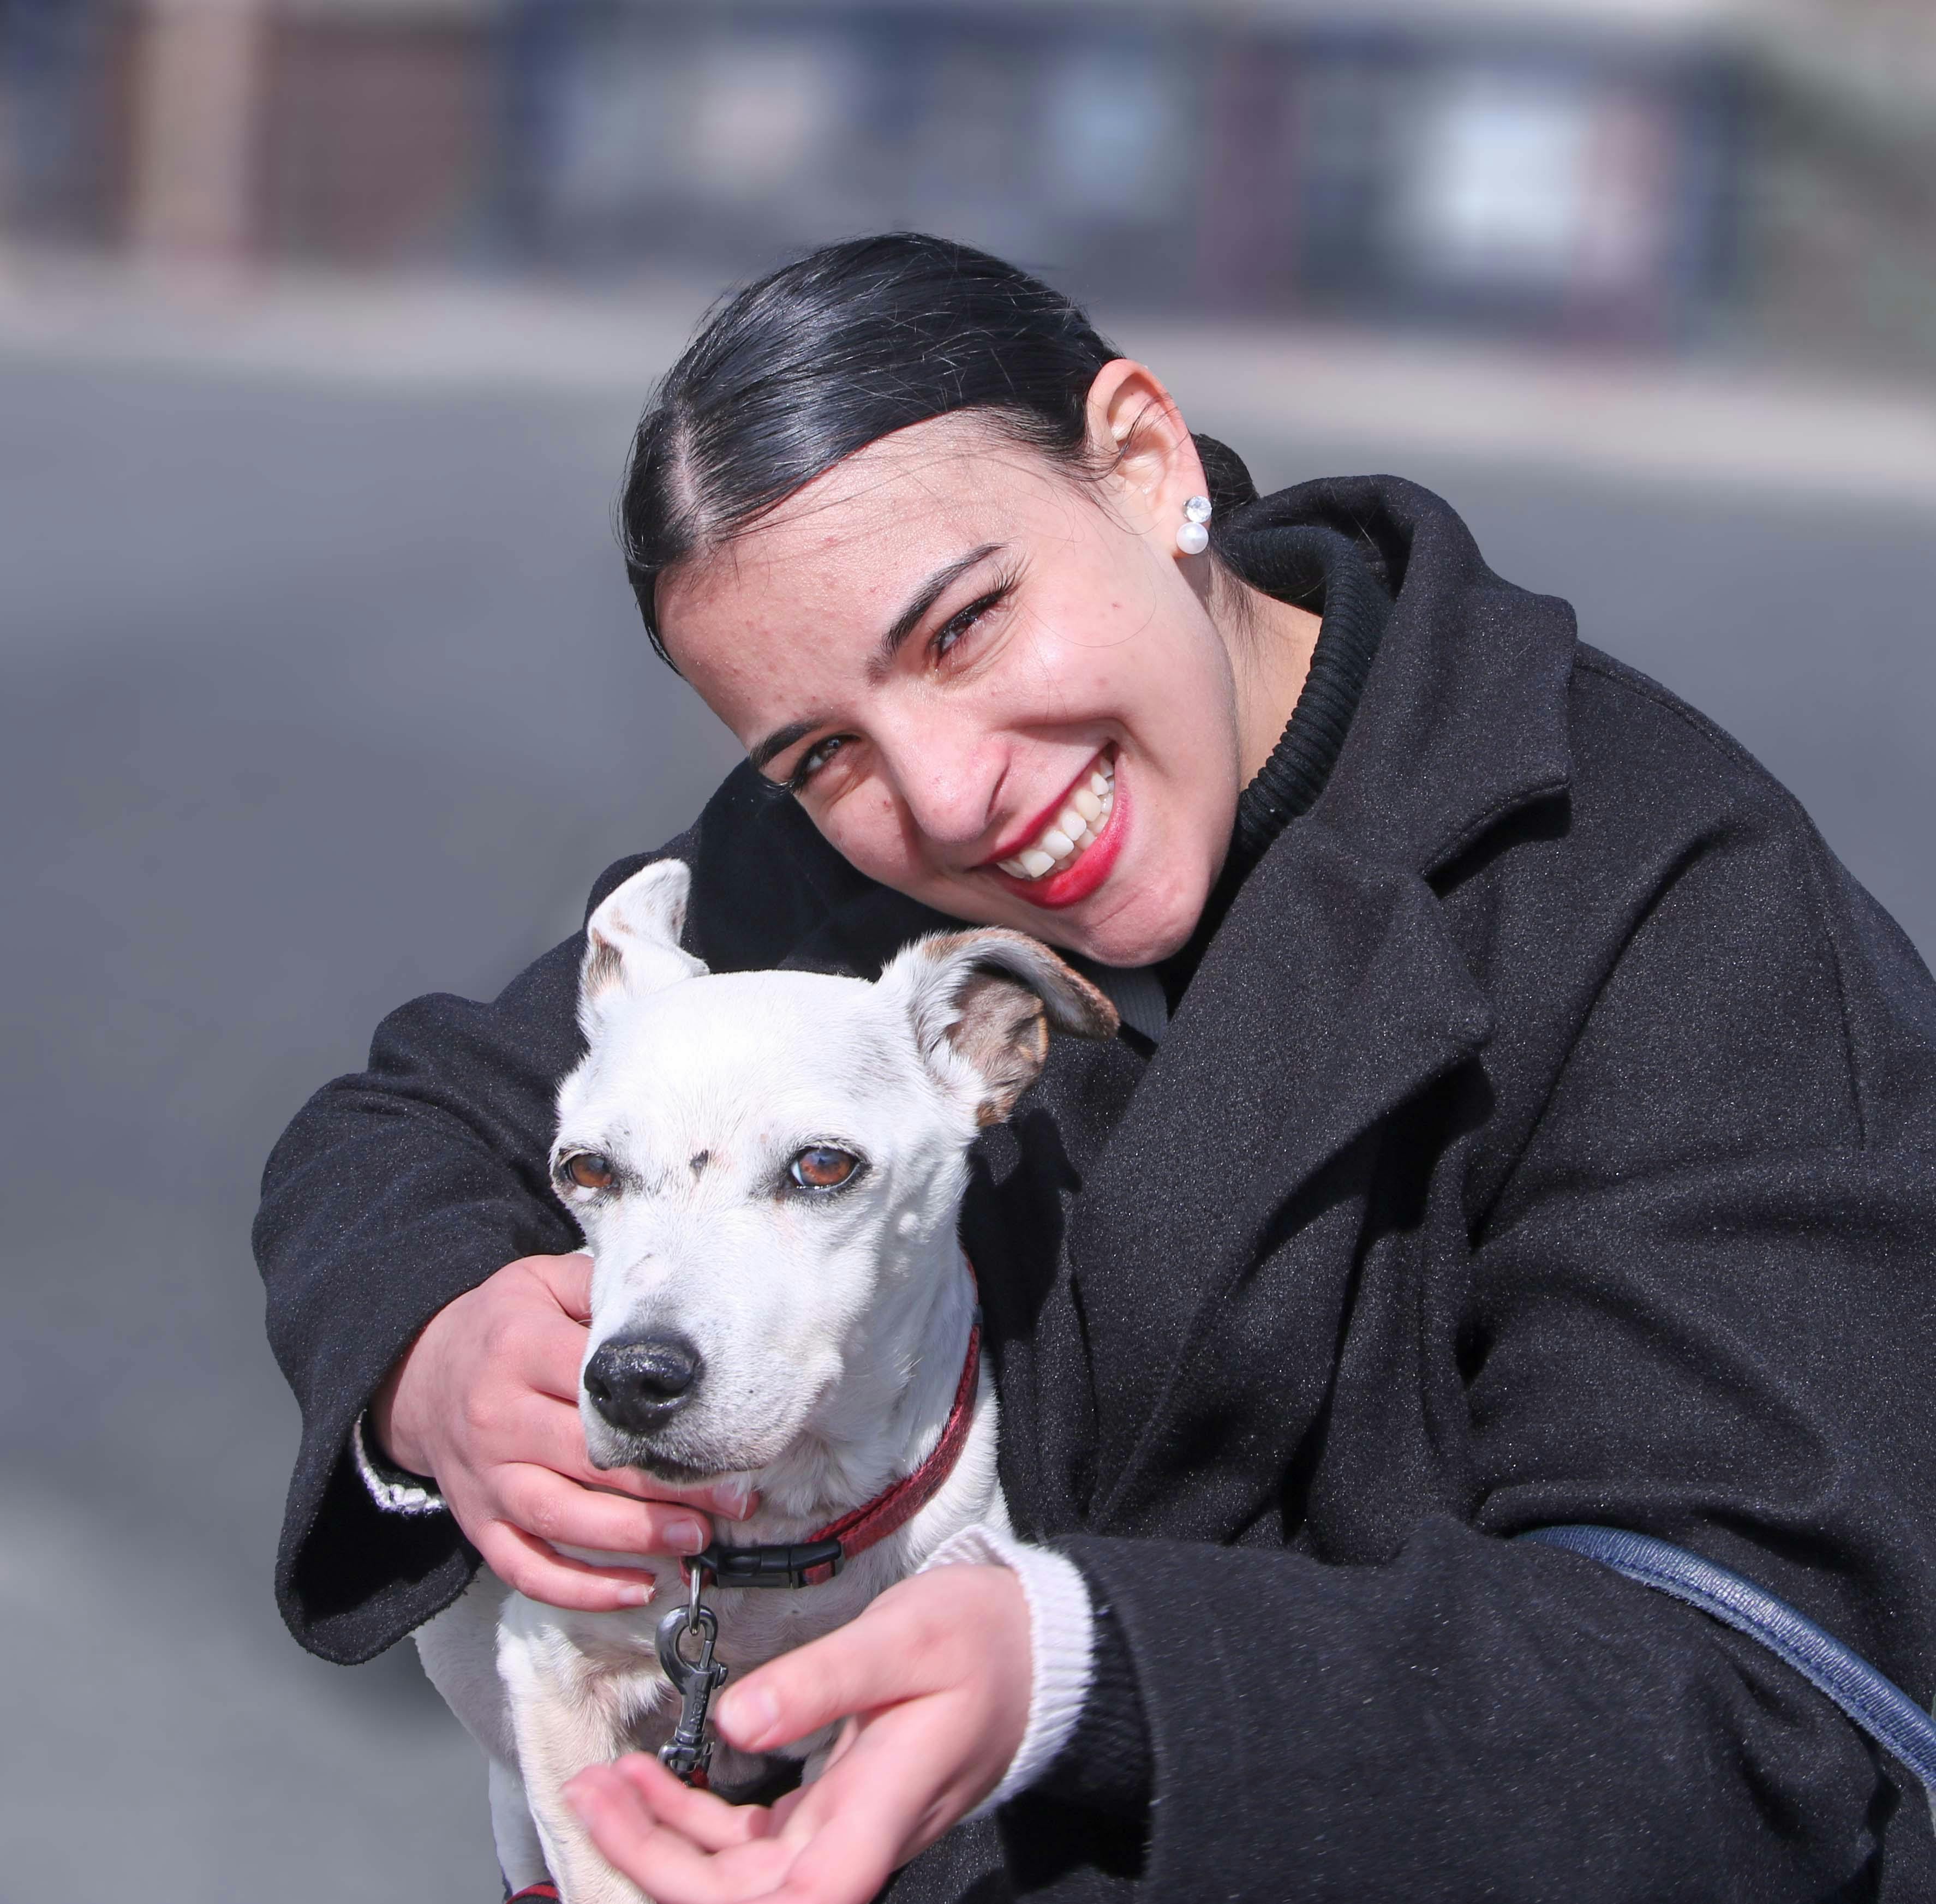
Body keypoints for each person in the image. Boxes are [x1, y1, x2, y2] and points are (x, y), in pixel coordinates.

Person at [255, 232, 1936, 1902]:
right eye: (819, 748)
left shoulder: (1666, 898)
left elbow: (1754, 1704)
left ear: (1143, 462)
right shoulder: (826, 871)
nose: (945, 795)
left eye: (966, 627)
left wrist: (1086, 1668)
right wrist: (440, 1351)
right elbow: (412, 1122)